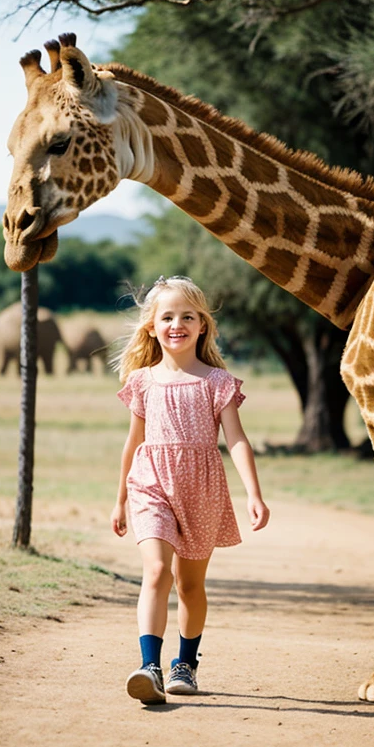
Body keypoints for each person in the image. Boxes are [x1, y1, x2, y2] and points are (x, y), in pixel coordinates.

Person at [111, 275, 269, 705]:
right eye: (167, 316)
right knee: (157, 571)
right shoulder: (142, 381)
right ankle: (150, 667)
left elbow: (236, 439)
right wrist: (122, 497)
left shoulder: (218, 382)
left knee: (190, 587)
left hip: (201, 488)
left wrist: (254, 493)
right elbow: (133, 443)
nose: (176, 323)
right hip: (150, 483)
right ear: (151, 326)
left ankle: (185, 664)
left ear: (203, 326)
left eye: (187, 316)